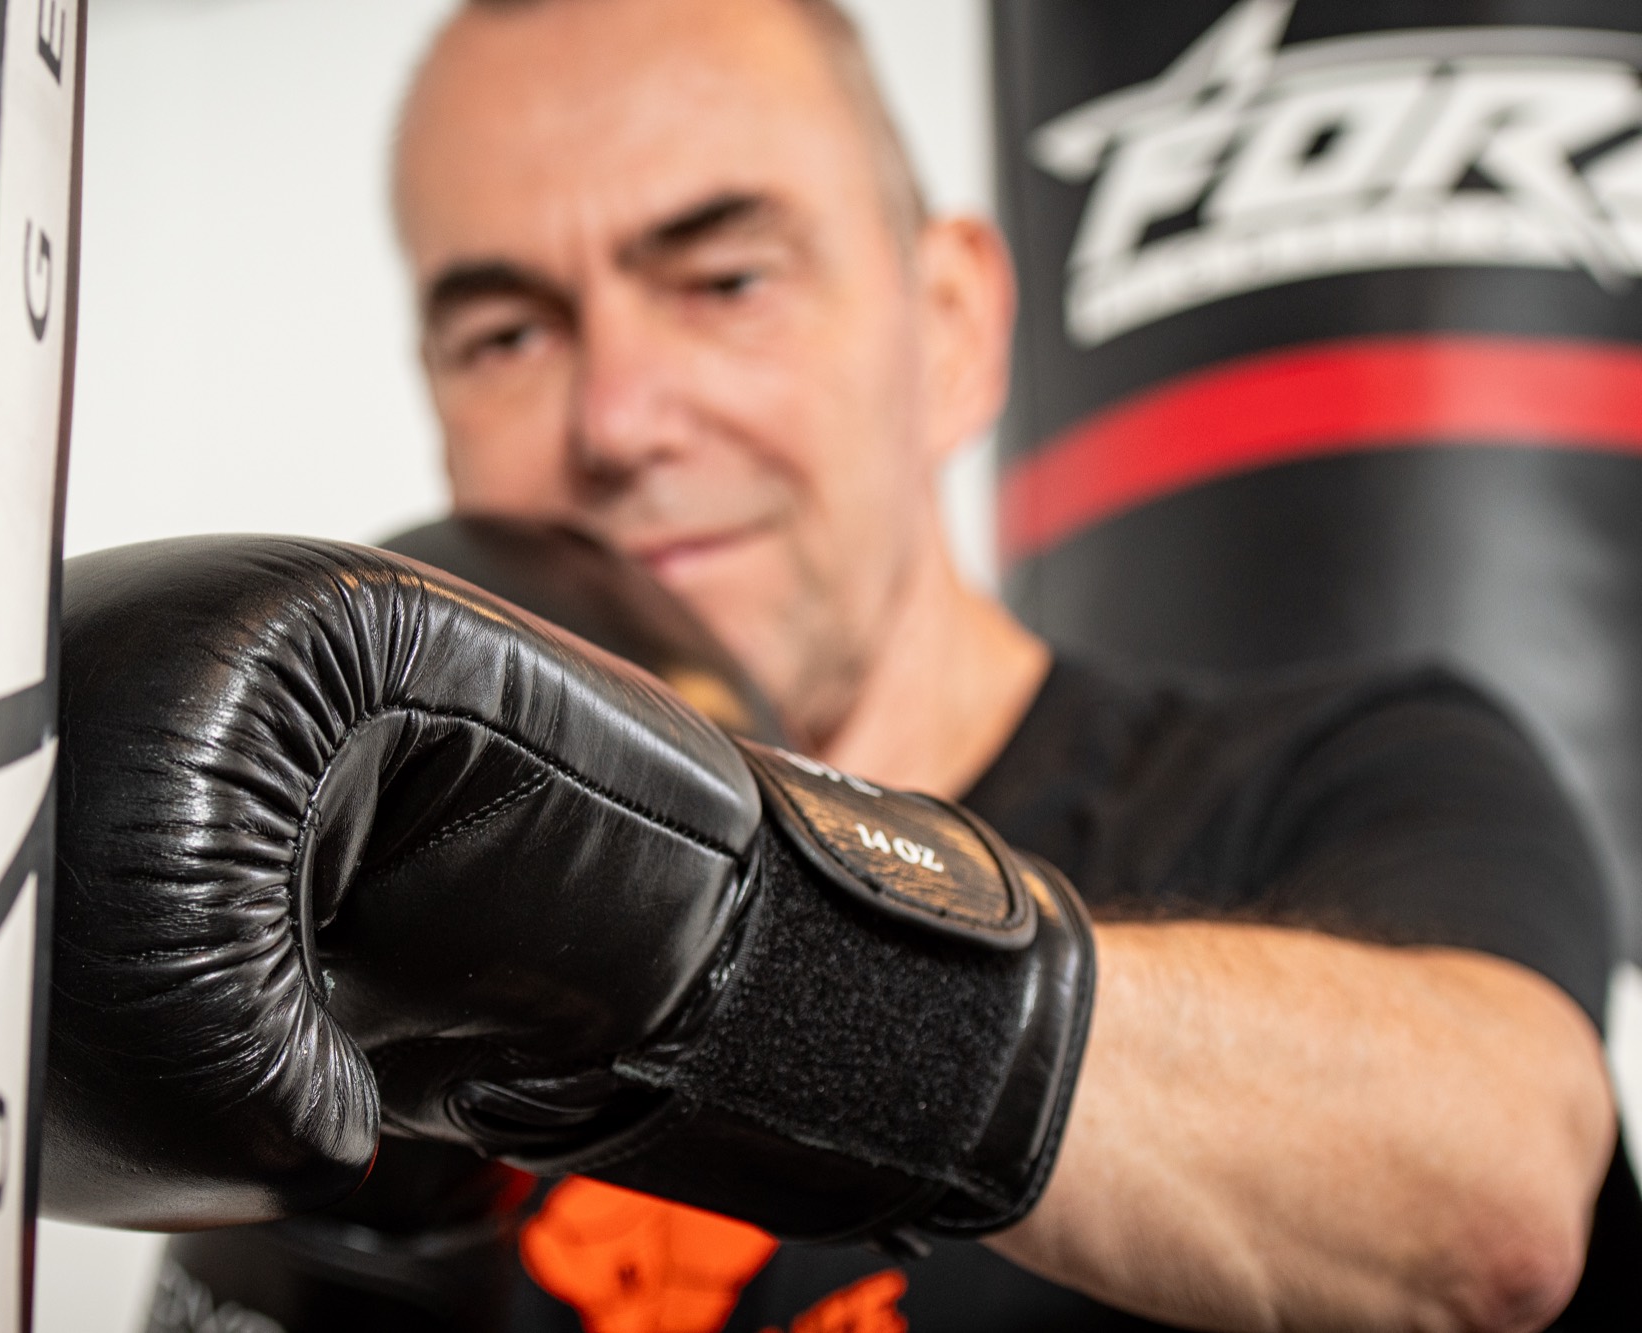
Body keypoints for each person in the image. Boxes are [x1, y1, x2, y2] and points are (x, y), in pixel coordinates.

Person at [139, 0, 1621, 1329]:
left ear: (952, 326)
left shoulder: (1343, 775)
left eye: (727, 280)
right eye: (509, 333)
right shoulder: (382, 930)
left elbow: (1490, 1212)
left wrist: (735, 946)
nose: (619, 419)